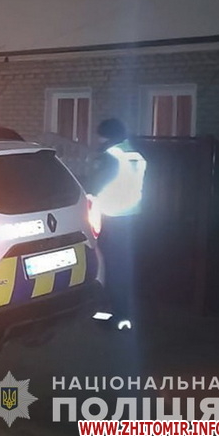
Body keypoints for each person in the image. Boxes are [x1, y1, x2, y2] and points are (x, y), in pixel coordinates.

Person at [86, 118, 147, 331]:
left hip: (112, 218)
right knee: (125, 267)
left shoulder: (111, 156)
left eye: (100, 136)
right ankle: (126, 313)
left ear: (107, 136)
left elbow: (94, 186)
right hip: (133, 217)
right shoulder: (135, 154)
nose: (97, 140)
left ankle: (116, 315)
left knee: (112, 268)